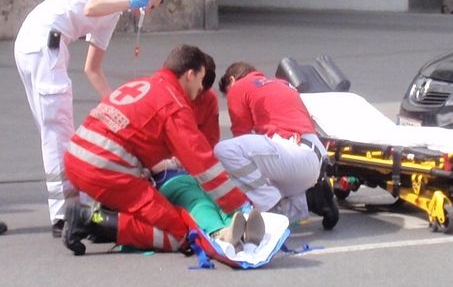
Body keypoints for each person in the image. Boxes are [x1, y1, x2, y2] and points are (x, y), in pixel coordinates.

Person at [13, 0, 164, 237]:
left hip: (39, 48)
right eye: (150, 6)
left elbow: (92, 68)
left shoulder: (113, 14)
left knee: (54, 132)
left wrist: (118, 107)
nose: (145, 13)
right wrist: (131, 1)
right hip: (43, 45)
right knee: (59, 133)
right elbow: (91, 7)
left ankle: (69, 210)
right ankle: (66, 215)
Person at [61, 44, 249, 255]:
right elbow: (201, 160)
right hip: (106, 170)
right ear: (190, 75)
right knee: (179, 233)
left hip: (76, 157)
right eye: (200, 79)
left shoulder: (143, 84)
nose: (200, 87)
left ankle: (106, 217)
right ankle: (91, 221)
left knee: (149, 211)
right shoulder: (173, 104)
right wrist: (239, 206)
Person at [152, 54, 264, 250]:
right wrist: (172, 162)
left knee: (218, 191)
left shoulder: (207, 98)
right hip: (166, 173)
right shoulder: (161, 97)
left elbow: (209, 142)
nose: (196, 96)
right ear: (190, 77)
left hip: (193, 167)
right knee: (194, 198)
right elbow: (142, 146)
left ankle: (241, 223)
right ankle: (221, 232)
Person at [215, 62, 336, 227]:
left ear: (232, 80)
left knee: (226, 152)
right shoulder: (284, 84)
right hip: (314, 158)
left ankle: (271, 207)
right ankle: (309, 200)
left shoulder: (239, 87)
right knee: (253, 175)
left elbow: (240, 136)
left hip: (294, 152)